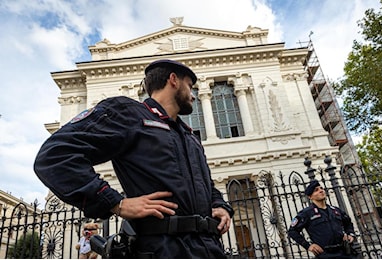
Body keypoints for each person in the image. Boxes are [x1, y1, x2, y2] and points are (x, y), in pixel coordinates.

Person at [34, 59, 234, 258]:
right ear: (173, 80)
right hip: (162, 249)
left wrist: (220, 205)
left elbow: (205, 184)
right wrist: (115, 203)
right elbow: (55, 155)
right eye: (190, 87)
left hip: (209, 248)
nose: (193, 96)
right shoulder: (128, 113)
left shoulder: (188, 135)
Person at [288, 180, 357, 259]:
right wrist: (308, 246)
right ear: (310, 197)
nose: (321, 191)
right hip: (325, 254)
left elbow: (348, 223)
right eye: (316, 190)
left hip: (344, 252)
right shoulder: (306, 213)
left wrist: (350, 234)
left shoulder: (335, 210)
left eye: (321, 188)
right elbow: (292, 231)